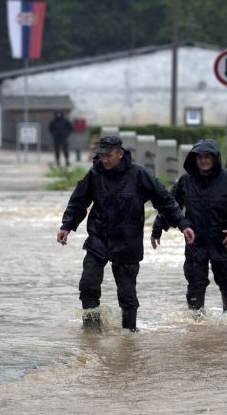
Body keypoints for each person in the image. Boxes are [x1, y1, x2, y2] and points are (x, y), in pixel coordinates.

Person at [56, 136, 195, 331]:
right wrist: (66, 226)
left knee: (127, 294)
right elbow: (79, 202)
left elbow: (164, 200)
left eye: (109, 156)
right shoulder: (95, 174)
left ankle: (129, 334)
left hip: (127, 241)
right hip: (99, 238)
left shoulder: (138, 174)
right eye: (101, 156)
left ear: (120, 154)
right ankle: (91, 330)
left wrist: (182, 224)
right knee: (88, 284)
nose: (104, 160)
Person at [151, 139, 227, 317]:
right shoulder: (185, 181)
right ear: (194, 159)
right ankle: (197, 322)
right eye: (200, 157)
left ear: (215, 159)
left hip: (223, 240)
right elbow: (170, 206)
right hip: (195, 241)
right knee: (195, 284)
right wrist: (158, 227)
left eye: (207, 157)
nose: (203, 160)